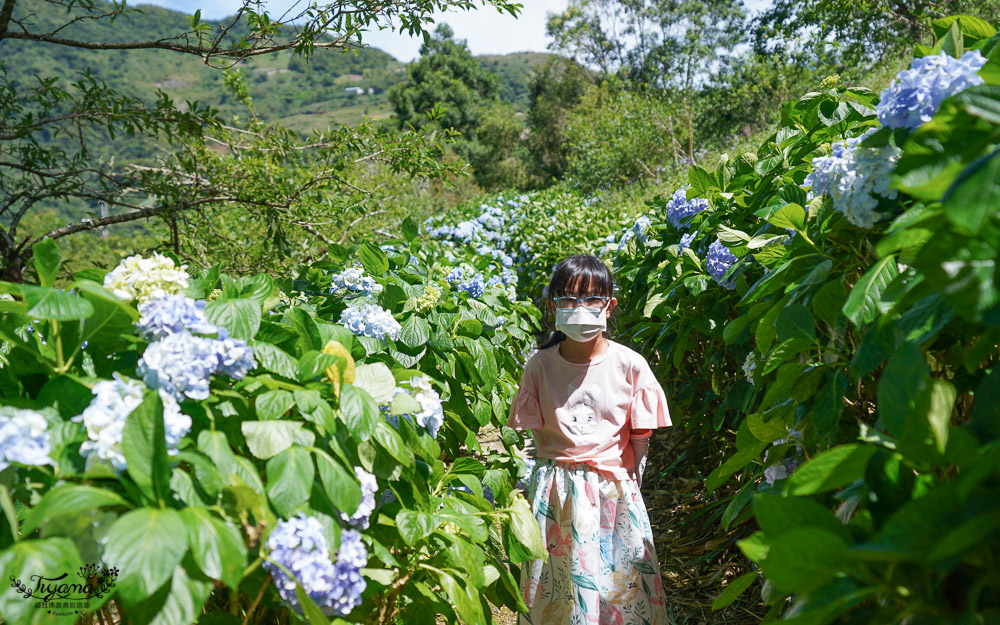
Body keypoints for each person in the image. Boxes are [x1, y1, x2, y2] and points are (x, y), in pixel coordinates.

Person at [508, 254, 671, 625]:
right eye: (568, 300)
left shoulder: (630, 364)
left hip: (612, 490)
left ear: (609, 305)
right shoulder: (539, 364)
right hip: (557, 491)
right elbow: (537, 436)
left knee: (622, 583)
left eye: (592, 299)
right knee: (559, 587)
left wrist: (632, 473)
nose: (579, 309)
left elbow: (640, 430)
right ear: (553, 307)